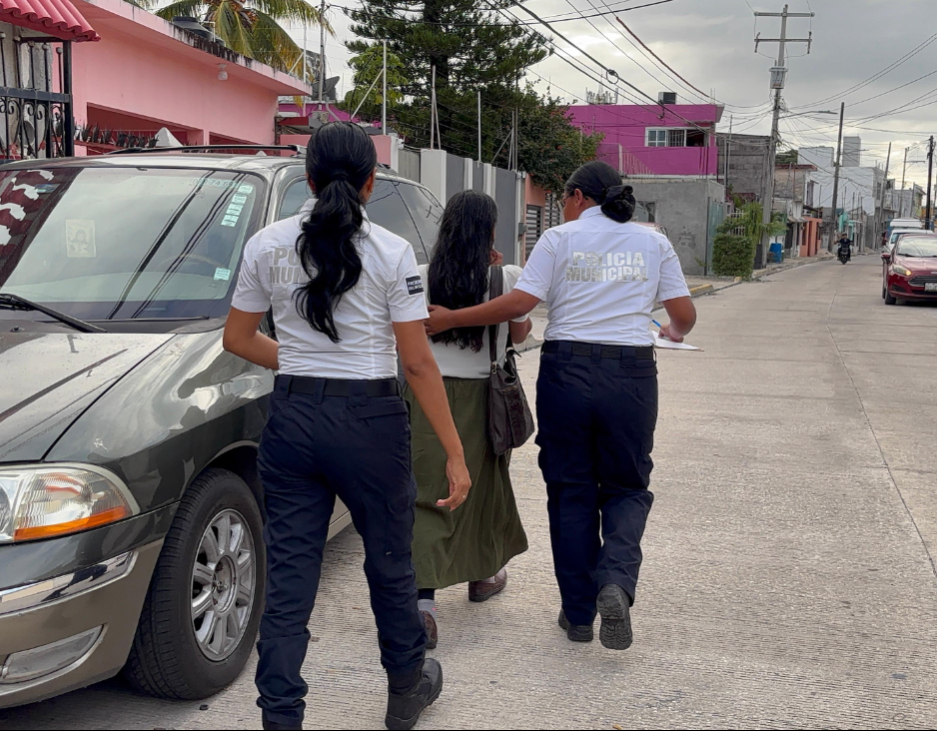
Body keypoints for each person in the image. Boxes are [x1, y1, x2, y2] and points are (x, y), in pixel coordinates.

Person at [223, 121, 471, 731]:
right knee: (390, 563)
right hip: (371, 421)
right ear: (371, 183)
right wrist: (455, 453)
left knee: (289, 577)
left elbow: (238, 338)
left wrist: (305, 365)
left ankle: (281, 716)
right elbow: (416, 361)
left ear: (306, 178)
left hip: (294, 418)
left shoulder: (266, 246)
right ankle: (405, 689)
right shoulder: (392, 253)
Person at [426, 161, 697, 651]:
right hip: (631, 374)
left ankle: (577, 616)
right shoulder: (653, 242)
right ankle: (614, 580)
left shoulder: (558, 239)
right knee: (627, 486)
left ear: (576, 197)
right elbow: (684, 316)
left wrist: (450, 319)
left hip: (566, 371)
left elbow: (518, 306)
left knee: (571, 491)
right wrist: (670, 334)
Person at [409, 190, 531, 648]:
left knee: (429, 496)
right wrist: (498, 277)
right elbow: (519, 331)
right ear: (491, 232)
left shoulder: (418, 277)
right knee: (484, 491)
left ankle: (422, 606)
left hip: (425, 395)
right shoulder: (506, 278)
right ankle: (482, 577)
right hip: (484, 399)